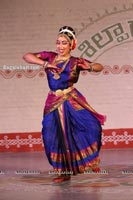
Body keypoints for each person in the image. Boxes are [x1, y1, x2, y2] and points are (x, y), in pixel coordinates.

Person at [23, 26, 106, 183]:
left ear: (71, 45)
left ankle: (89, 160)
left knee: (91, 126)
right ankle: (62, 171)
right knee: (50, 135)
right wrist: (45, 64)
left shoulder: (76, 62)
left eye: (64, 43)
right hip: (53, 101)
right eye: (58, 43)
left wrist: (91, 67)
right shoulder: (49, 57)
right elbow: (27, 56)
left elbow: (99, 66)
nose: (60, 46)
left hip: (70, 99)